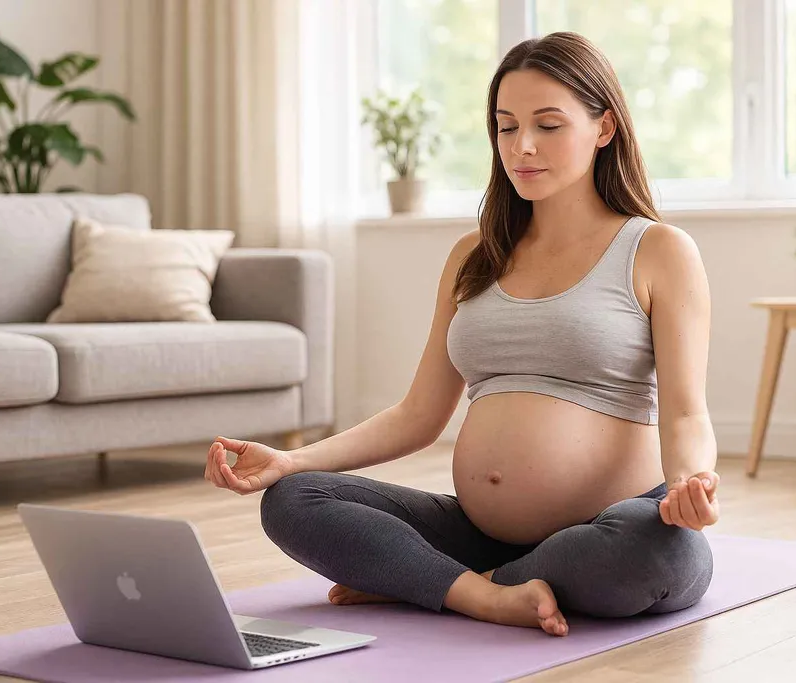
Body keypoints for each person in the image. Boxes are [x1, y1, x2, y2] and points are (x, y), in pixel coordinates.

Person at [204, 32, 719, 638]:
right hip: (477, 529)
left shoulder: (658, 249)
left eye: (548, 126)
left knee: (657, 555)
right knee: (294, 500)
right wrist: (290, 459)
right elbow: (419, 414)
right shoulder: (474, 255)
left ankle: (439, 581)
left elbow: (686, 414)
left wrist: (689, 483)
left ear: (604, 128)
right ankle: (485, 593)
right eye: (506, 127)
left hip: (613, 526)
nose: (521, 147)